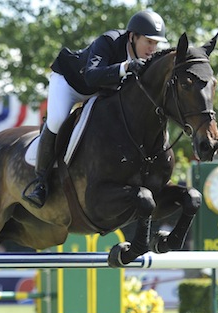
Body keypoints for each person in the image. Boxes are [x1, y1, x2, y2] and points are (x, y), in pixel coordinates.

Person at [22, 10, 167, 208]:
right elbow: (91, 76)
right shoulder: (109, 41)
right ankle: (40, 182)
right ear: (133, 37)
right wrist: (124, 67)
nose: (152, 48)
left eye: (155, 43)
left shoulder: (146, 61)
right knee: (56, 120)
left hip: (99, 92)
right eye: (148, 41)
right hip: (71, 83)